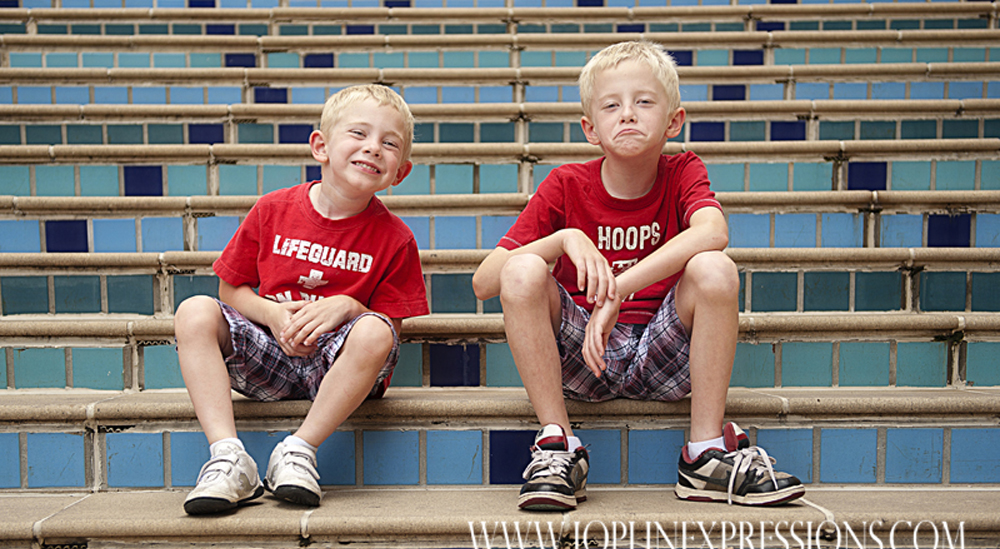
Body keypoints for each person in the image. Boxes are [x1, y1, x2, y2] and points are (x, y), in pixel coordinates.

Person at [472, 41, 804, 510]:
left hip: (663, 351)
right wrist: (563, 239)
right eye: (611, 105)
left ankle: (704, 453)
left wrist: (617, 290)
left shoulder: (683, 170)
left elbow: (714, 232)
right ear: (590, 128)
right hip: (585, 353)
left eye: (644, 101)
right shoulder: (566, 184)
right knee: (522, 269)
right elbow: (485, 282)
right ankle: (557, 444)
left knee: (714, 266)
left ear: (674, 121)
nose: (627, 114)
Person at [175, 84, 429, 515]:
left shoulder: (397, 239)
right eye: (359, 133)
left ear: (400, 172)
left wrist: (350, 307)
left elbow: (391, 329)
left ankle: (298, 451)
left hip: (336, 369)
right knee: (194, 311)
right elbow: (230, 289)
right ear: (320, 147)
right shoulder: (272, 209)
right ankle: (228, 458)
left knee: (374, 329)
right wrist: (271, 314)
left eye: (389, 143)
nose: (373, 148)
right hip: (271, 353)